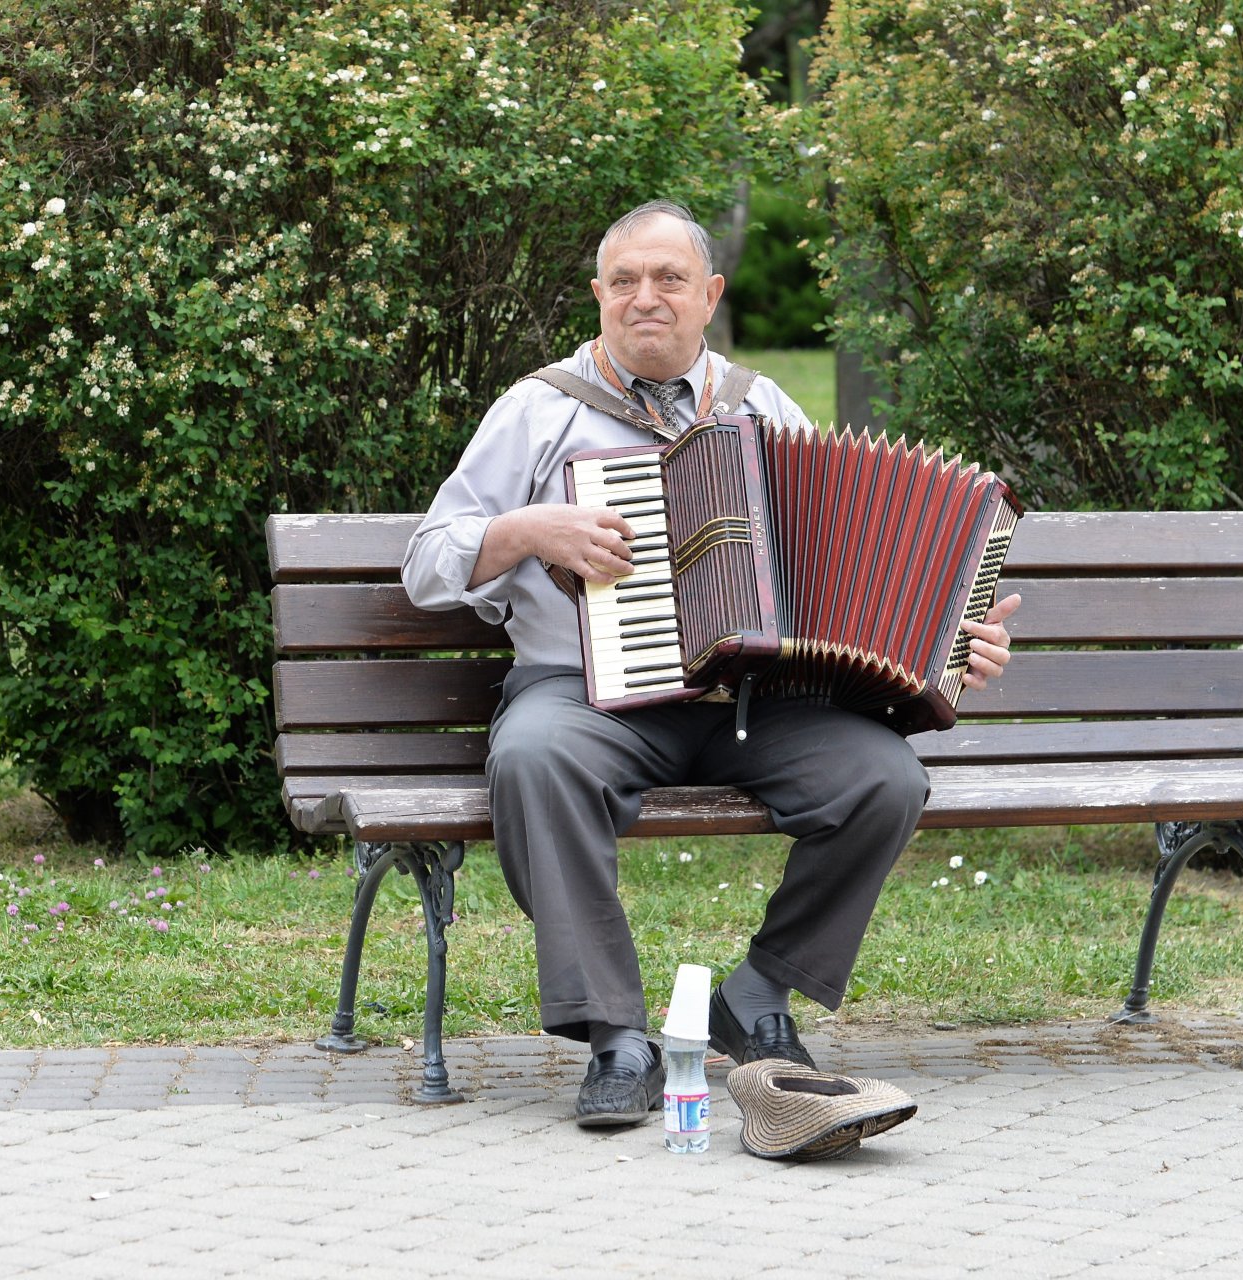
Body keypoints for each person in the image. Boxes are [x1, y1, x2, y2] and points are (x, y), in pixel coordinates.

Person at [402, 200, 1020, 1129]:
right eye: (624, 282)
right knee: (531, 759)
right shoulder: (538, 410)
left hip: (750, 703)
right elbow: (426, 562)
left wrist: (949, 638)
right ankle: (617, 1037)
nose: (645, 298)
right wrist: (529, 529)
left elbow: (848, 566)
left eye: (669, 280)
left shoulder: (759, 407)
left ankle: (761, 992)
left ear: (709, 295)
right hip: (589, 699)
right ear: (600, 296)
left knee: (883, 778)